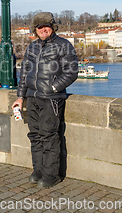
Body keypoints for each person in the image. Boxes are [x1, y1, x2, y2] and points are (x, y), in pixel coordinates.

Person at [12, 12, 78, 189]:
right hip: (32, 98)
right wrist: (20, 97)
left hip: (51, 99)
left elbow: (71, 72)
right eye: (39, 27)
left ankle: (51, 175)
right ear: (35, 29)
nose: (43, 29)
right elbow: (25, 73)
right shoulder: (32, 47)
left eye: (46, 26)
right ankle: (38, 171)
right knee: (35, 136)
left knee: (49, 136)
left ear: (53, 27)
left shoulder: (64, 45)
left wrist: (53, 88)